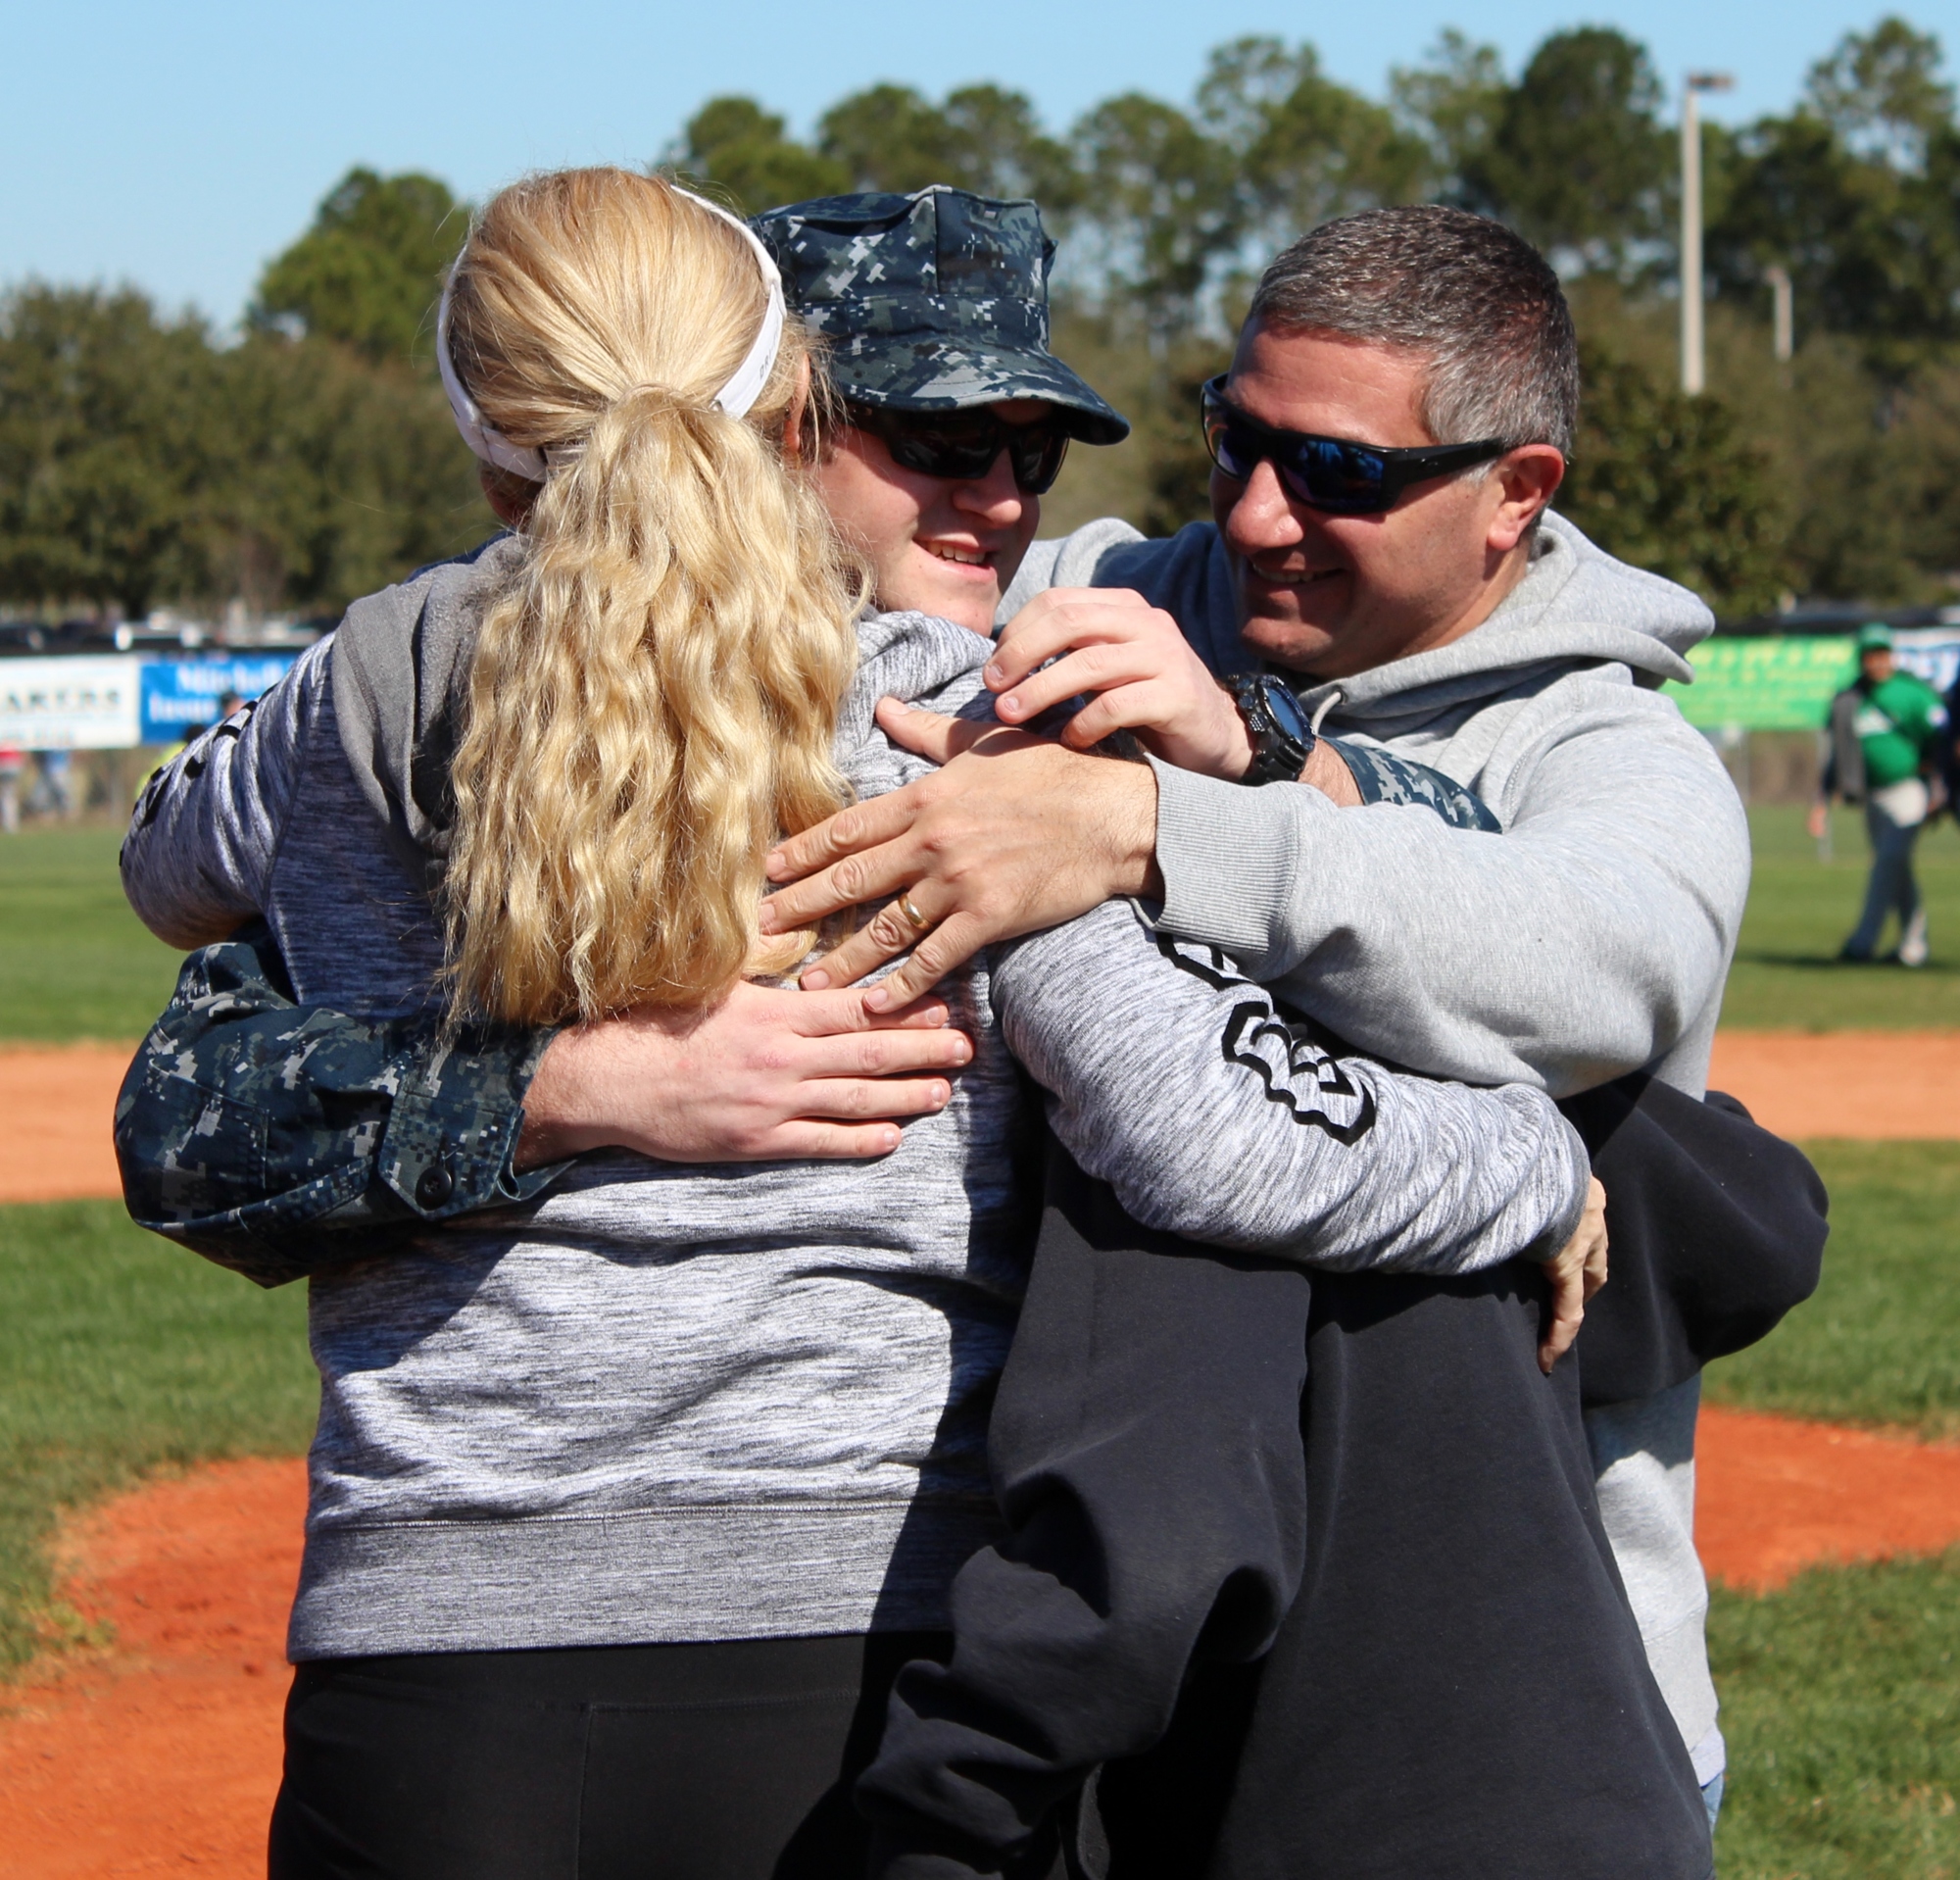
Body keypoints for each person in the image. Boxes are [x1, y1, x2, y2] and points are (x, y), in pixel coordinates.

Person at [118, 169, 1606, 1879]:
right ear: (787, 408)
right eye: (938, 440)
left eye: (1028, 457)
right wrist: (1529, 1161)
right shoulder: (942, 712)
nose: (995, 495)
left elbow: (170, 866)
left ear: (483, 425)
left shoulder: (350, 693)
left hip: (424, 1673)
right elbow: (1211, 1130)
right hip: (841, 1654)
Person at [754, 204, 1754, 1818]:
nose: (1262, 516)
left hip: (1495, 1695)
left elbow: (1598, 957)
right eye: (1238, 442)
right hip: (1122, 1687)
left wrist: (1186, 806)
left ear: (1516, 492)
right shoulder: (1102, 592)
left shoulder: (1617, 751)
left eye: (1344, 474)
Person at [1813, 621, 1947, 966]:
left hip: (1910, 791)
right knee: (1897, 871)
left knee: (1887, 862)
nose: (1877, 660)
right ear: (1861, 658)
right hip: (1872, 796)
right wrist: (1822, 802)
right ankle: (1913, 947)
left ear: (1892, 655)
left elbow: (1941, 740)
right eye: (1870, 654)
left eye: (1882, 653)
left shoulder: (1912, 693)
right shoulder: (1850, 699)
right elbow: (1836, 756)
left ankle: (1862, 942)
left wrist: (1939, 787)